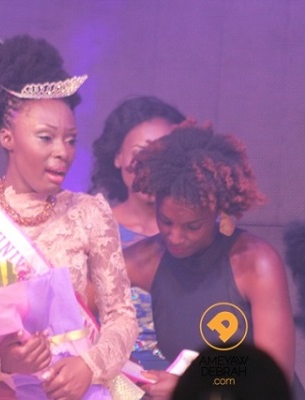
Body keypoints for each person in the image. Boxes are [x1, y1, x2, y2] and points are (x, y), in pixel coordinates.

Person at [0, 35, 138, 399]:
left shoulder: (90, 213)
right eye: (46, 137)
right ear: (7, 137)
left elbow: (121, 316)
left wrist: (90, 365)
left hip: (76, 391)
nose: (63, 152)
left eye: (70, 139)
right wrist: (3, 361)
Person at [123, 125, 296, 399]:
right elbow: (74, 310)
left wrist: (193, 382)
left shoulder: (257, 263)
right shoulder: (144, 260)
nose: (175, 237)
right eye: (165, 221)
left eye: (192, 226)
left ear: (218, 212)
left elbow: (273, 373)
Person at [91, 96, 186, 371]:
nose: (151, 164)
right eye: (140, 152)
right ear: (118, 156)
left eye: (163, 153)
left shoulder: (197, 235)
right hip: (111, 380)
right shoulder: (91, 227)